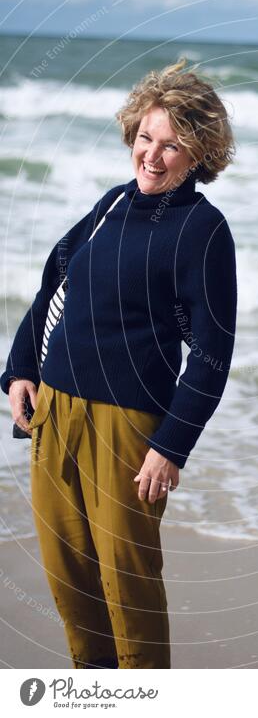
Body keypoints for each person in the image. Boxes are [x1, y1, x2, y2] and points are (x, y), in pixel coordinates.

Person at [0, 58, 238, 669]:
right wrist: (20, 367)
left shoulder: (203, 230)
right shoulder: (110, 204)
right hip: (55, 413)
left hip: (128, 428)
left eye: (173, 145)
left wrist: (171, 446)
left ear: (199, 155)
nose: (153, 157)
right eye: (145, 138)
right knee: (67, 576)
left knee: (127, 587)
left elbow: (212, 352)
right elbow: (55, 283)